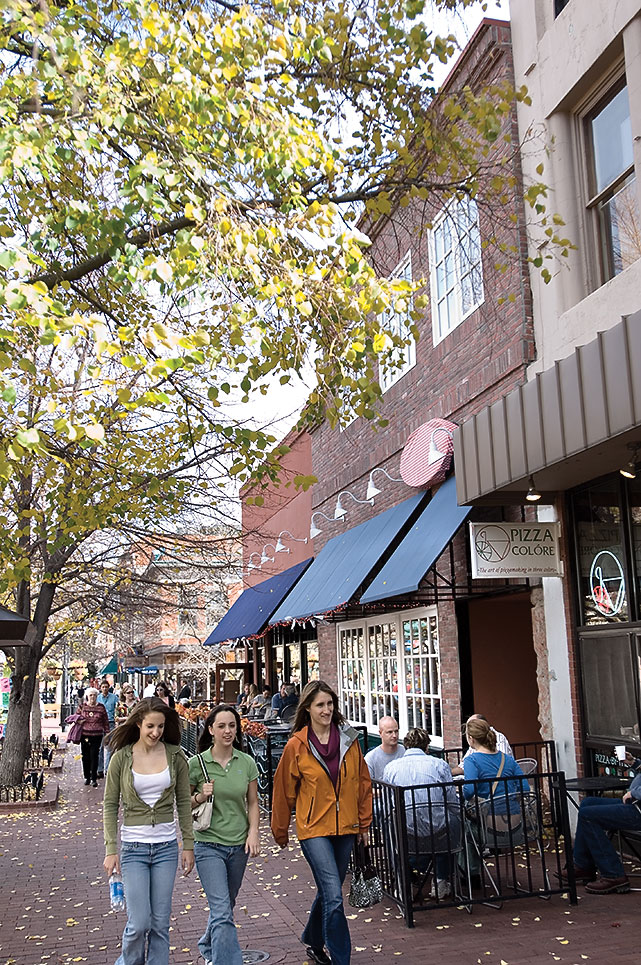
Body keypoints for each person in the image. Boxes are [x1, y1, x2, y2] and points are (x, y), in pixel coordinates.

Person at [271, 680, 372, 965]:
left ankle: (314, 939)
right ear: (308, 709)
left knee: (330, 891)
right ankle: (341, 959)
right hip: (314, 829)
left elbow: (363, 783)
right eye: (320, 705)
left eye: (330, 704)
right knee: (334, 897)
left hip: (347, 827)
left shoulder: (349, 740)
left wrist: (364, 823)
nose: (326, 710)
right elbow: (283, 790)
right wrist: (280, 831)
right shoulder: (297, 746)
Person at [103, 697, 194, 965]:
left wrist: (187, 844)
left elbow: (184, 802)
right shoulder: (121, 758)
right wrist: (111, 849)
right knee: (139, 922)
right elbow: (110, 804)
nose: (156, 732)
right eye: (150, 726)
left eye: (161, 727)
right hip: (134, 849)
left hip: (166, 847)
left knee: (160, 924)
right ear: (138, 724)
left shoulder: (176, 756)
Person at [188, 703, 260, 965]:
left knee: (225, 908)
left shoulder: (247, 762)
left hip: (238, 846)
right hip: (208, 845)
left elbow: (253, 802)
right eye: (221, 726)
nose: (228, 731)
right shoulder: (196, 764)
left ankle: (208, 945)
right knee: (221, 911)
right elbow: (182, 803)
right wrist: (199, 796)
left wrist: (253, 833)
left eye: (232, 726)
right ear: (211, 729)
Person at [383, 728, 459, 899]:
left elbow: (389, 802)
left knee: (389, 824)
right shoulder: (440, 765)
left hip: (406, 832)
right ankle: (441, 880)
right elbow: (451, 800)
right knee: (452, 820)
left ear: (406, 746)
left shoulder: (391, 768)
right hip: (438, 832)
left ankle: (404, 880)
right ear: (427, 747)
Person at [563, 768, 641, 894]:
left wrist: (634, 793)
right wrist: (635, 764)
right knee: (588, 803)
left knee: (588, 815)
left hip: (638, 809)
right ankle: (583, 866)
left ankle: (614, 874)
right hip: (633, 803)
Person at [78, 687, 110, 787]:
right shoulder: (83, 707)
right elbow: (76, 717)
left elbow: (105, 721)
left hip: (97, 735)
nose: (93, 697)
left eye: (95, 695)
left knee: (94, 755)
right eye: (91, 695)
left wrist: (107, 733)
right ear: (87, 696)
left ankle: (94, 778)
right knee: (85, 756)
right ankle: (87, 776)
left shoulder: (101, 707)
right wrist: (80, 721)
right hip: (85, 735)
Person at [364, 716, 405, 781]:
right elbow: (367, 786)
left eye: (396, 731)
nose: (394, 735)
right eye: (389, 732)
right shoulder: (371, 758)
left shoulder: (405, 752)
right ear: (380, 733)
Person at [97, 677, 119, 777]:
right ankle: (100, 769)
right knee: (100, 747)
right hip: (100, 724)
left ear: (109, 687)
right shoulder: (98, 698)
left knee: (110, 747)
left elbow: (118, 709)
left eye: (106, 687)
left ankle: (108, 769)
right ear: (100, 688)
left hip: (110, 723)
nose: (105, 689)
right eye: (103, 687)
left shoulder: (114, 697)